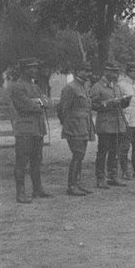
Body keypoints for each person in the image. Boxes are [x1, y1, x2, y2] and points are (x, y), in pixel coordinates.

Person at [9, 57, 54, 203]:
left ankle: (37, 189)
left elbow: (48, 102)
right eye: (31, 68)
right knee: (22, 161)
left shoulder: (35, 86)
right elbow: (25, 106)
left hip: (37, 129)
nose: (35, 70)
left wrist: (38, 102)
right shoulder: (17, 86)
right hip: (25, 129)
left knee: (37, 160)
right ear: (24, 69)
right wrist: (39, 103)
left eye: (36, 67)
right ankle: (20, 193)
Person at [57, 61, 96, 196]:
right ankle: (71, 186)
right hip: (74, 127)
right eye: (84, 70)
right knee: (77, 155)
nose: (88, 73)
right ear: (77, 71)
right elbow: (62, 109)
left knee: (81, 155)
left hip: (83, 126)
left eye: (89, 70)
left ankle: (77, 183)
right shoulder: (70, 88)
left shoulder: (83, 87)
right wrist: (67, 124)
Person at [90, 62, 131, 188]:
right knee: (103, 151)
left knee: (115, 151)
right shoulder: (97, 87)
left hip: (117, 124)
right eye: (113, 71)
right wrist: (108, 104)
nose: (115, 74)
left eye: (116, 72)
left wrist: (125, 102)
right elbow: (93, 104)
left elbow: (120, 104)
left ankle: (113, 176)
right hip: (105, 124)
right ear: (106, 71)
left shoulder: (116, 86)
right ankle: (100, 178)